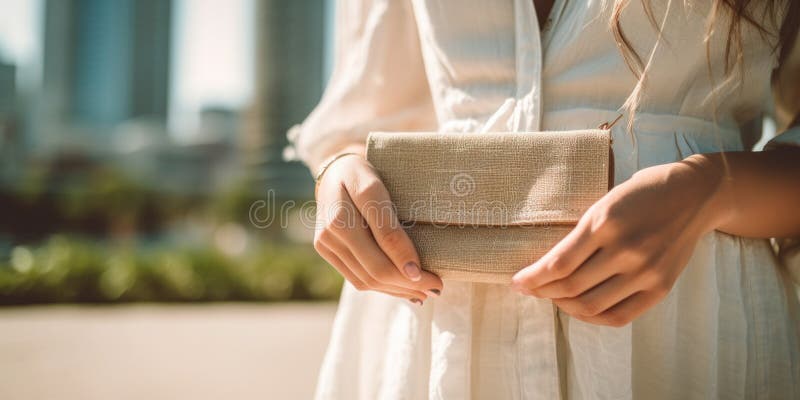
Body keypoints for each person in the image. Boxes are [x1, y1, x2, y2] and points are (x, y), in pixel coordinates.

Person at [286, 0, 800, 398]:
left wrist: (709, 189)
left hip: (685, 319)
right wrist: (339, 176)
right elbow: (366, 114)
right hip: (436, 334)